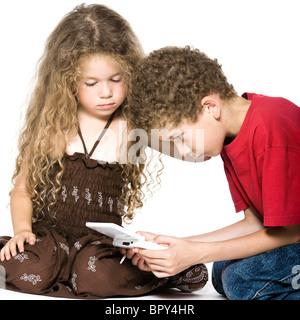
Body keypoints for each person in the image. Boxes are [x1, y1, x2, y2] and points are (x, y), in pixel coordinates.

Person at [0, 7, 207, 299]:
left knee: (94, 277)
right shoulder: (53, 125)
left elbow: (193, 150)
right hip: (50, 242)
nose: (106, 92)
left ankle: (168, 272)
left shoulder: (132, 125)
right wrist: (22, 231)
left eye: (116, 79)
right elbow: (21, 191)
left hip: (98, 248)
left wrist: (200, 128)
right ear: (68, 81)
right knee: (30, 270)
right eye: (92, 83)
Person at [123, 46, 300, 300]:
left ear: (210, 107)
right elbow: (255, 222)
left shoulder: (271, 131)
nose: (184, 151)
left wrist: (195, 253)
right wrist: (180, 246)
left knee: (239, 279)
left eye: (180, 138)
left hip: (295, 235)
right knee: (220, 270)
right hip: (289, 236)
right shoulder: (229, 136)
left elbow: (291, 232)